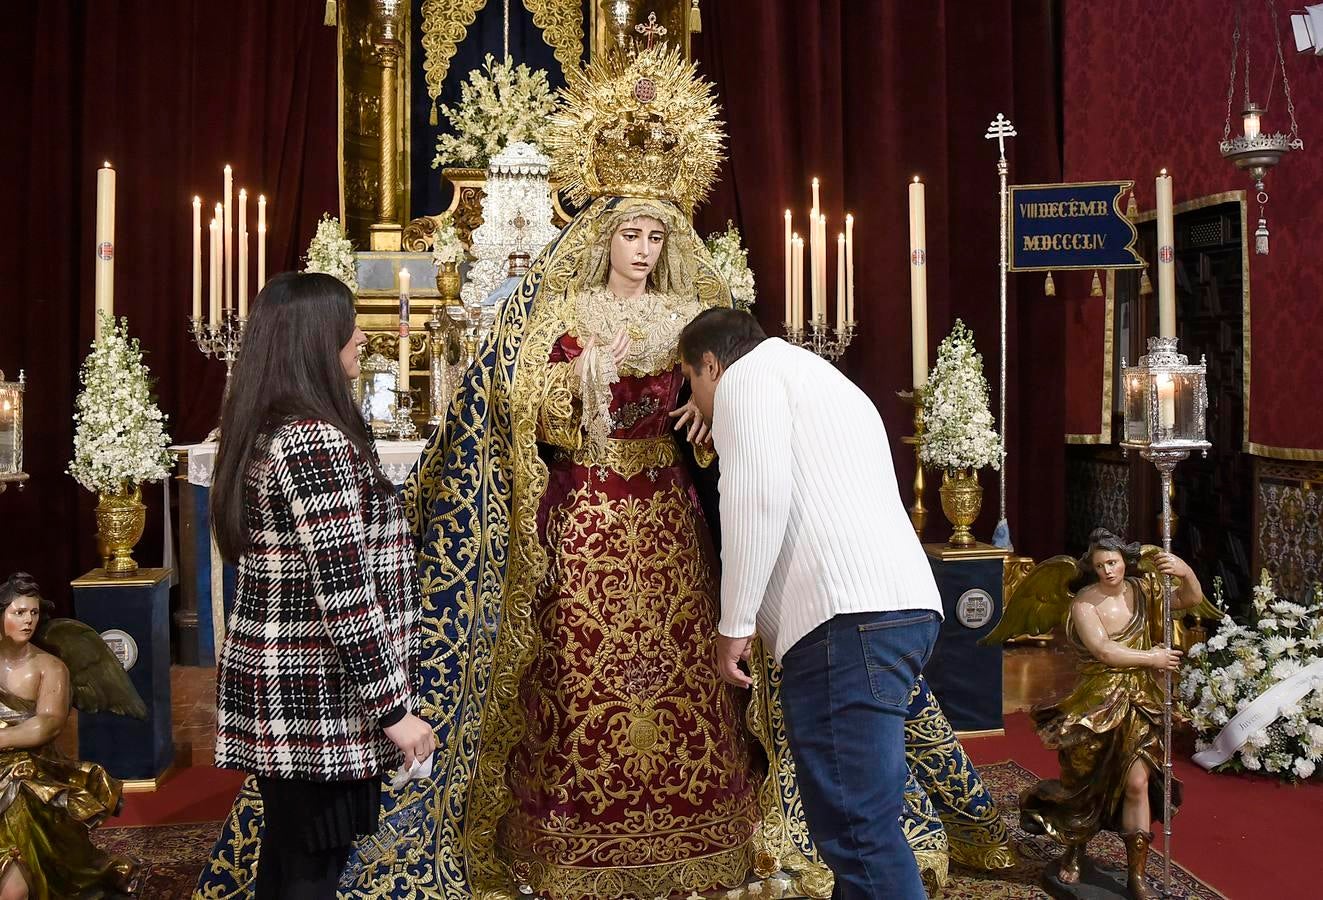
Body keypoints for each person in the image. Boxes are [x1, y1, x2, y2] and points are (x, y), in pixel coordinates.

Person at [677, 307, 945, 900]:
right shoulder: (814, 375)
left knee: (857, 830)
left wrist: (735, 623)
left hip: (844, 621)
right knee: (861, 821)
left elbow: (757, 501)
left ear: (712, 365)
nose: (693, 400)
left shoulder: (747, 382)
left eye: (691, 383)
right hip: (901, 610)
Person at [208, 272, 430, 899]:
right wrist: (395, 713)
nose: (361, 336)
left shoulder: (266, 427)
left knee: (288, 863)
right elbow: (344, 592)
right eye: (348, 324)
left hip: (289, 687)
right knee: (308, 872)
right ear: (313, 341)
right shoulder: (312, 439)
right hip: (319, 696)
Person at [1019, 528, 1202, 899]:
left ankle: (1136, 874)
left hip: (1141, 701)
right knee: (1085, 786)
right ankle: (1074, 847)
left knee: (1137, 783)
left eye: (1114, 562)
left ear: (1124, 561)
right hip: (1097, 703)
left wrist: (1184, 570)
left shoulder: (1143, 590)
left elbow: (1190, 598)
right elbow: (1104, 651)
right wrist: (1152, 656)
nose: (1108, 570)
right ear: (1093, 567)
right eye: (1101, 565)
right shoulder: (1084, 605)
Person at [0, 573, 135, 900]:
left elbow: (48, 723)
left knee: (21, 787)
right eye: (19, 612)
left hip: (33, 764)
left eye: (33, 613)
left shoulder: (50, 667)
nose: (28, 620)